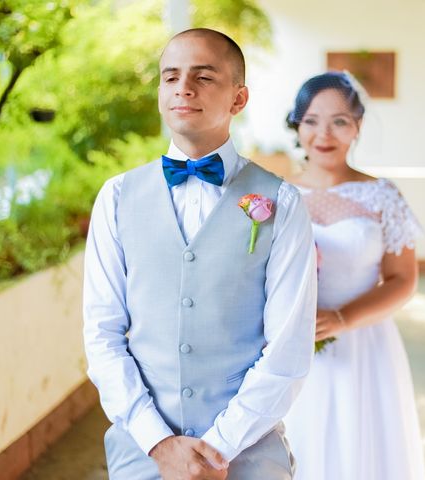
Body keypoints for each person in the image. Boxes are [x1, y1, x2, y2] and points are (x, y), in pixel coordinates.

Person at [83, 28, 317, 480]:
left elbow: (288, 351)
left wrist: (219, 448)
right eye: (170, 77)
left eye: (204, 77)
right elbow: (102, 335)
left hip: (248, 454)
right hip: (144, 452)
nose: (183, 88)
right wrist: (159, 442)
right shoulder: (116, 197)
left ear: (239, 97)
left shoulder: (283, 204)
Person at [282, 71, 425, 480]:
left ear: (357, 127)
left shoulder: (382, 195)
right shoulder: (276, 196)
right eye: (311, 120)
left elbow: (403, 280)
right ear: (297, 125)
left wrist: (342, 319)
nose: (323, 133)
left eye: (339, 121)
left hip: (365, 342)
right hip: (294, 340)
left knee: (363, 448)